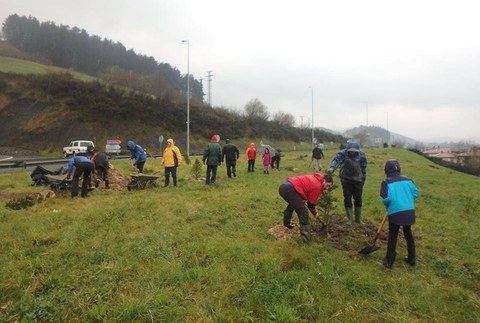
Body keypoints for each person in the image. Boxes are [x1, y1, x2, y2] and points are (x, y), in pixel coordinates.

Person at [380, 159, 419, 269]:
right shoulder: (408, 179)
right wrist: (407, 199)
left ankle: (389, 262)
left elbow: (385, 199)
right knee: (408, 233)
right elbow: (415, 193)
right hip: (409, 211)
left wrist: (389, 204)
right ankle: (412, 259)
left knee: (393, 235)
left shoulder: (386, 182)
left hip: (395, 212)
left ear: (386, 169)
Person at [278, 173, 333, 242]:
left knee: (294, 205)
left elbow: (306, 189)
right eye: (327, 185)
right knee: (303, 212)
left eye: (329, 187)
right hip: (289, 189)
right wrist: (315, 213)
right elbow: (311, 204)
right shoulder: (317, 186)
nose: (327, 188)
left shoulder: (317, 179)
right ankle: (306, 240)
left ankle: (287, 224)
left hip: (285, 187)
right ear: (324, 181)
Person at [327, 142, 367, 225]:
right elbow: (336, 160)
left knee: (358, 198)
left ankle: (358, 219)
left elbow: (363, 168)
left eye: (354, 151)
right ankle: (349, 219)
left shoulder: (361, 155)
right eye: (350, 151)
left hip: (358, 180)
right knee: (347, 198)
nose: (352, 152)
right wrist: (332, 167)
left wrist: (363, 179)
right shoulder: (343, 154)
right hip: (346, 180)